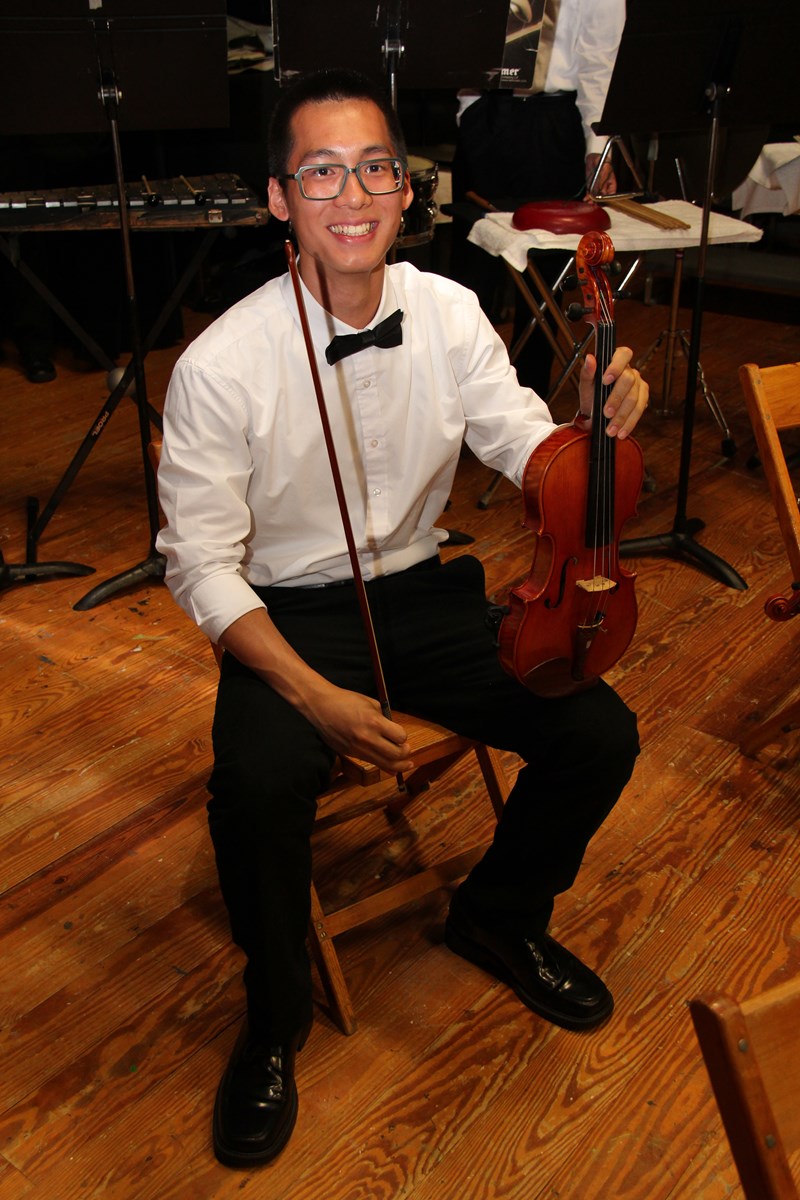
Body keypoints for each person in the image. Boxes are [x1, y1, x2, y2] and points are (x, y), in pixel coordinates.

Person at [155, 67, 648, 1170]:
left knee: (599, 733)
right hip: (288, 615)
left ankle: (498, 915)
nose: (352, 195)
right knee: (256, 787)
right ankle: (275, 1017)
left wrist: (589, 424)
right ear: (279, 199)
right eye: (321, 173)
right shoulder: (221, 364)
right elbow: (200, 566)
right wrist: (313, 696)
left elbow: (521, 444)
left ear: (405, 187)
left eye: (374, 168)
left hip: (423, 590)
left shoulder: (449, 311)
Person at [450, 0, 626, 395]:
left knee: (543, 283)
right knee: (471, 276)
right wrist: (469, 109)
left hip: (554, 121)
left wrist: (597, 146)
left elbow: (600, 60)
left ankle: (528, 403)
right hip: (487, 106)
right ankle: (457, 399)